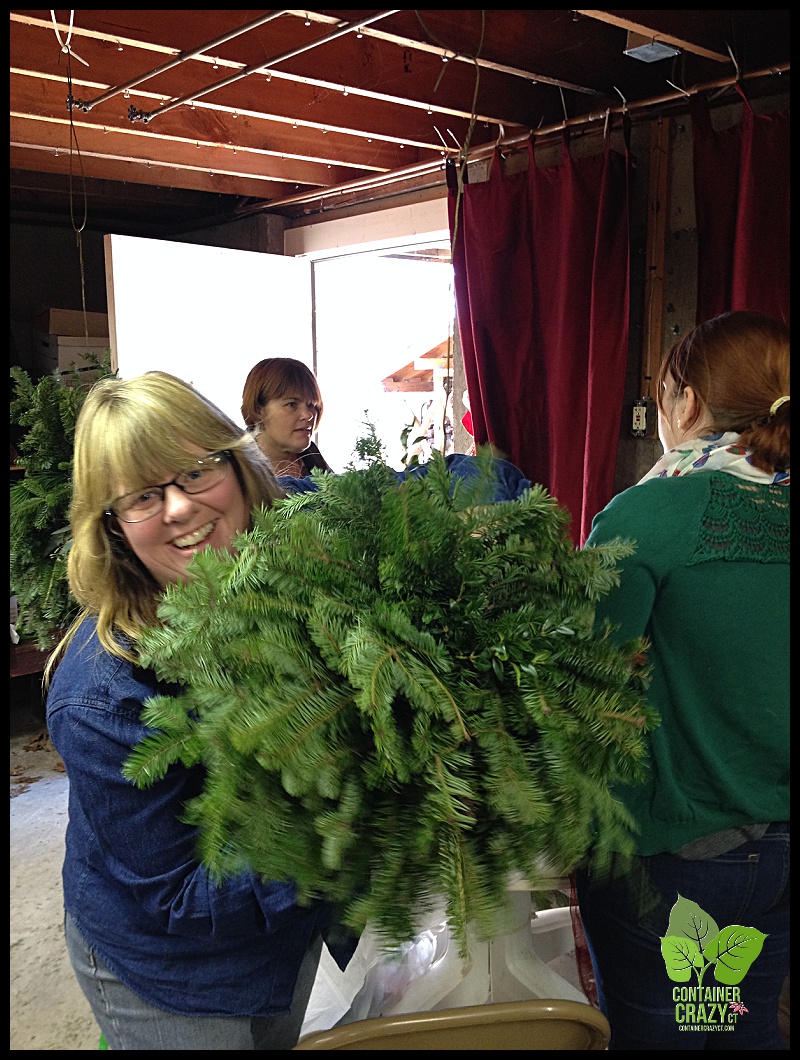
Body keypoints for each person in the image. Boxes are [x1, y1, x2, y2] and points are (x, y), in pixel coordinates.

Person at [45, 371, 351, 1050]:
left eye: (195, 471)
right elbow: (180, 897)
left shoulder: (283, 547)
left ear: (238, 466)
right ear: (114, 528)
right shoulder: (102, 697)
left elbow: (406, 495)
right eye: (143, 496)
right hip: (171, 969)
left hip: (283, 930)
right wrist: (353, 831)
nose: (181, 508)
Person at [575, 310, 789, 1050]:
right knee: (739, 1026)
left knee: (666, 1033)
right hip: (781, 852)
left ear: (686, 401)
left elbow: (582, 675)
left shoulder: (657, 512)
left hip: (681, 851)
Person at [241, 357, 333, 478]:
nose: (308, 415)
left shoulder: (312, 456)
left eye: (311, 405)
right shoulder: (237, 467)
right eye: (292, 404)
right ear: (258, 409)